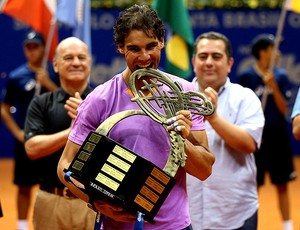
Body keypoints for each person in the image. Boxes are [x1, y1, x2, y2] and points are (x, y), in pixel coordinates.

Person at [57, 4, 215, 230]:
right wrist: (94, 202)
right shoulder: (99, 99)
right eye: (134, 49)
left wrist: (181, 139)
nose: (145, 57)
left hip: (174, 226)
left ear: (162, 41)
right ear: (121, 48)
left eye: (151, 46)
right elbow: (65, 164)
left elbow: (204, 170)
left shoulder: (184, 94)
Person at [186, 31, 264, 229]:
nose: (209, 62)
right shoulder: (177, 97)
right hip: (187, 214)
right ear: (194, 62)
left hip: (236, 213)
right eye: (203, 57)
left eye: (217, 56)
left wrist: (212, 117)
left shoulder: (245, 97)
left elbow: (248, 144)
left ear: (229, 64)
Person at [24, 37, 95, 230]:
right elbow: (31, 148)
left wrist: (88, 120)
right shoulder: (41, 103)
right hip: (50, 200)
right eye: (68, 57)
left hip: (93, 202)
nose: (76, 62)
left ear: (89, 63)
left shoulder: (103, 102)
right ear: (55, 65)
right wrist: (73, 132)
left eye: (81, 57)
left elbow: (119, 147)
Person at [0, 30, 59, 230]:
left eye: (36, 47)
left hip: (51, 139)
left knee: (50, 186)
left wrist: (48, 84)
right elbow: (4, 109)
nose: (32, 51)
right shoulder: (16, 76)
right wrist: (17, 133)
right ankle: (23, 226)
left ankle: (48, 225)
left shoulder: (56, 72)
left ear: (44, 48)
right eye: (28, 47)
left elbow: (66, 99)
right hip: (26, 139)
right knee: (24, 186)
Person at [237, 33, 296, 230]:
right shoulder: (246, 77)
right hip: (256, 138)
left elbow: (283, 109)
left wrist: (273, 87)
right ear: (263, 52)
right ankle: (252, 225)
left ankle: (287, 227)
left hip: (278, 137)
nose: (278, 53)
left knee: (282, 184)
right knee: (254, 186)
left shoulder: (281, 76)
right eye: (274, 49)